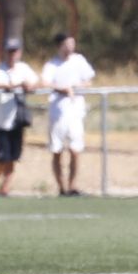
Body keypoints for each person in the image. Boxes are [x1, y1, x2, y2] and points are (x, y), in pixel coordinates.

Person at [41, 32, 95, 197]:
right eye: (66, 44)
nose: (70, 47)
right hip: (58, 113)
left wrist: (77, 86)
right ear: (59, 46)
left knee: (75, 149)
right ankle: (61, 187)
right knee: (57, 150)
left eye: (72, 43)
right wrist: (62, 88)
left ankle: (72, 186)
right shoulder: (52, 65)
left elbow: (89, 80)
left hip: (76, 112)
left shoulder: (79, 60)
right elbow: (45, 82)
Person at [0, 38, 38, 197]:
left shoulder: (24, 68)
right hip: (1, 121)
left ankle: (5, 189)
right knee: (1, 158)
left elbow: (36, 82)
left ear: (19, 52)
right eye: (9, 51)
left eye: (15, 51)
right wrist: (16, 85)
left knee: (13, 157)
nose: (12, 55)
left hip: (17, 120)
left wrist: (29, 86)